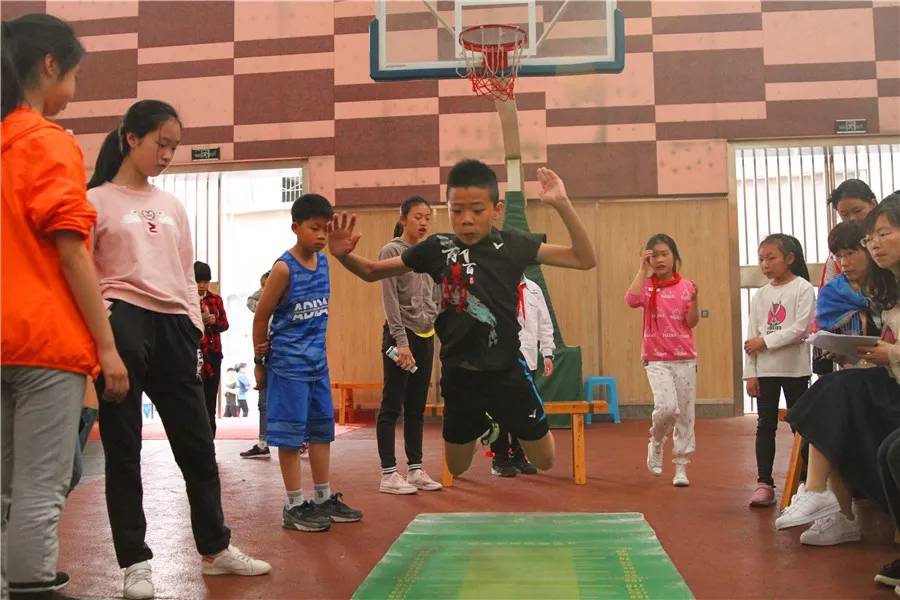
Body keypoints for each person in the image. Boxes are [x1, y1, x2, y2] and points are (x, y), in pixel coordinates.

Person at [88, 99, 270, 599]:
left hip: (174, 327)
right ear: (131, 138)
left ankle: (215, 550)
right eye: (160, 144)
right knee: (123, 450)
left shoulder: (171, 205)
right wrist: (104, 333)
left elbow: (187, 273)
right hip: (123, 318)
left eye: (174, 146)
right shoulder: (96, 200)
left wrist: (192, 326)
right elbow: (80, 271)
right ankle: (135, 563)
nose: (168, 154)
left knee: (197, 444)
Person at [327, 159, 596, 478]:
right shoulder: (438, 248)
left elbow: (584, 258)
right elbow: (372, 272)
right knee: (456, 466)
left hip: (508, 372)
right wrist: (343, 255)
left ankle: (496, 416)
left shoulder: (512, 244)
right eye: (457, 211)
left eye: (477, 210)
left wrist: (562, 204)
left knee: (546, 459)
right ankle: (485, 423)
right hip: (460, 375)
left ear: (496, 209)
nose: (467, 220)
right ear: (449, 208)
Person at [1, 14, 128, 599]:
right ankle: (30, 586)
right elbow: (73, 252)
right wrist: (107, 346)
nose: (74, 89)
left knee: (5, 484)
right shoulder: (47, 141)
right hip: (44, 341)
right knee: (42, 484)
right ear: (50, 65)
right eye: (74, 74)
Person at [780, 200, 900, 548]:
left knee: (837, 403)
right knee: (832, 393)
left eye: (882, 234)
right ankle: (825, 498)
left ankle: (830, 502)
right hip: (886, 378)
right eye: (871, 237)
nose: (874, 244)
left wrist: (888, 352)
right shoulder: (885, 287)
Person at [253, 194, 363, 533]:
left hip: (318, 366)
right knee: (289, 438)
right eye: (314, 228)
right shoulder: (284, 268)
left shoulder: (325, 262)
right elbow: (261, 317)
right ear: (295, 227)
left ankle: (322, 497)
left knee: (321, 434)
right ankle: (293, 504)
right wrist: (259, 362)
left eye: (325, 229)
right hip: (288, 367)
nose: (320, 235)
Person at [377, 196, 443, 494]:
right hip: (399, 337)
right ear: (403, 219)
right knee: (392, 405)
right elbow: (390, 302)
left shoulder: (431, 254)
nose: (423, 222)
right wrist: (401, 342)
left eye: (427, 217)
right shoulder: (391, 251)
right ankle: (388, 473)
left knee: (417, 408)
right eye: (417, 216)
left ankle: (415, 469)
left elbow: (436, 295)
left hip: (426, 336)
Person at [744, 234, 814, 507]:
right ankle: (764, 483)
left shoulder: (803, 288)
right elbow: (751, 338)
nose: (765, 264)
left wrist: (766, 341)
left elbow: (800, 329)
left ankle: (808, 480)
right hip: (766, 371)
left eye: (771, 258)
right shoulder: (761, 294)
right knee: (765, 425)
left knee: (801, 425)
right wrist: (751, 373)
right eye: (762, 259)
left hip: (795, 370)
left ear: (790, 259)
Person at [626, 234, 699, 487]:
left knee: (685, 415)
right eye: (654, 255)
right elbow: (631, 300)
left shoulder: (687, 286)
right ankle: (656, 441)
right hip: (656, 359)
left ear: (675, 257)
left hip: (685, 358)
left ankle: (681, 466)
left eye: (664, 254)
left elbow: (691, 323)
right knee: (667, 407)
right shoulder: (646, 286)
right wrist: (641, 270)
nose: (659, 259)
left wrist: (695, 300)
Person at [491, 275, 555, 478]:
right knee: (500, 409)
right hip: (502, 359)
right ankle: (499, 458)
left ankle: (519, 455)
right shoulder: (497, 284)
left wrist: (547, 352)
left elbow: (544, 322)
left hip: (528, 359)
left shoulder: (534, 289)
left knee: (524, 410)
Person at [814, 179, 878, 374]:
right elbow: (828, 301)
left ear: (873, 204)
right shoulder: (834, 260)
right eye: (844, 214)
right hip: (852, 359)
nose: (851, 218)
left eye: (857, 211)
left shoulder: (888, 244)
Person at [195, 261, 229, 435]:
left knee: (210, 399)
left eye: (205, 282)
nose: (202, 286)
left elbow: (225, 325)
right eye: (199, 281)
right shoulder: (187, 301)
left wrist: (215, 321)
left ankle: (210, 442)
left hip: (213, 355)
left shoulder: (216, 299)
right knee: (194, 400)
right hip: (193, 355)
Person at [241, 271, 272, 458]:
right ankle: (263, 442)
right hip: (265, 357)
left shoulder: (286, 306)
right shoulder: (261, 308)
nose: (266, 291)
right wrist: (258, 363)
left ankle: (299, 441)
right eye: (263, 287)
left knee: (291, 401)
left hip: (286, 359)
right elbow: (251, 300)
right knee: (263, 402)